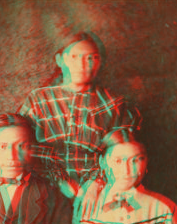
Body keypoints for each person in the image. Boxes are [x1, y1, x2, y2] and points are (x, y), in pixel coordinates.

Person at [17, 32, 141, 198]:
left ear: (100, 62)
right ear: (60, 60)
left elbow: (124, 155)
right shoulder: (39, 100)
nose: (83, 65)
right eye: (74, 57)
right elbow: (21, 146)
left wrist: (95, 184)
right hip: (44, 189)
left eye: (92, 58)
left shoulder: (114, 105)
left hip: (99, 192)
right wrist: (60, 180)